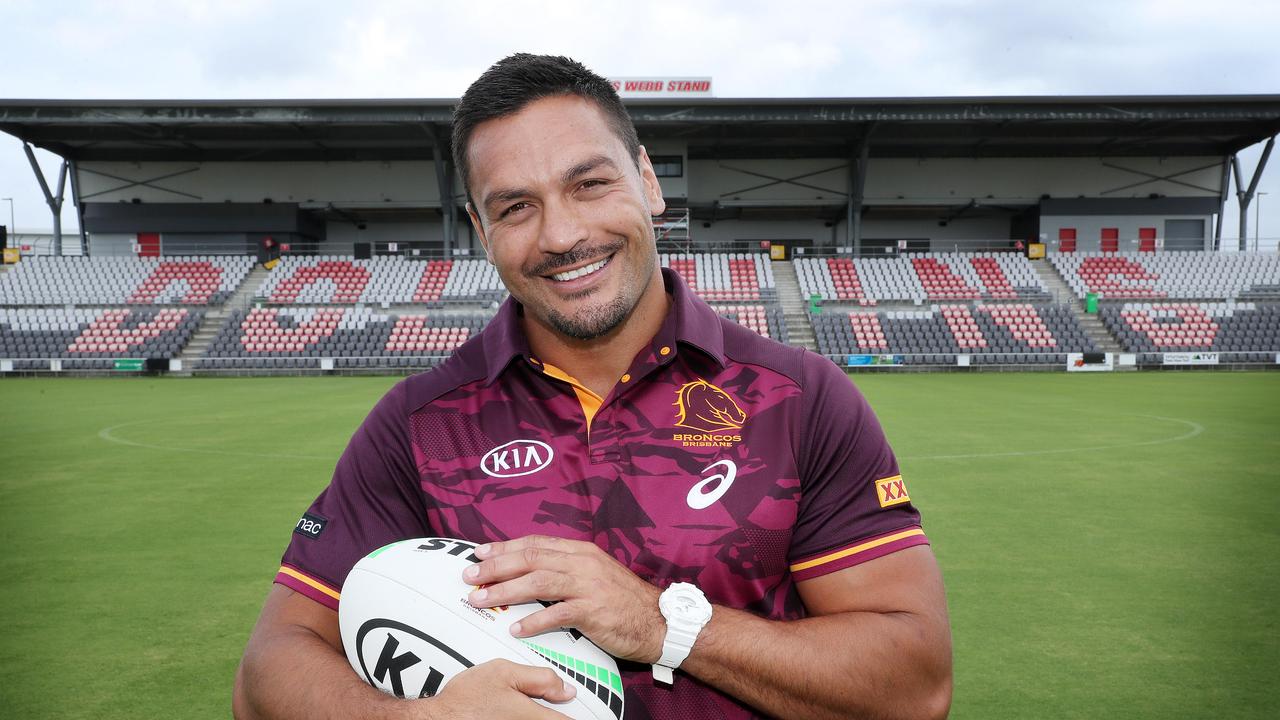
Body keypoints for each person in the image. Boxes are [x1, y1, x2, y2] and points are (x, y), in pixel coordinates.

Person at [233, 54, 952, 720]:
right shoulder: (417, 424)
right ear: (481, 231)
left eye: (590, 183)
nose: (561, 234)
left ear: (647, 180)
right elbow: (267, 673)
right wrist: (418, 718)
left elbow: (917, 684)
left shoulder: (800, 398)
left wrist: (660, 625)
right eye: (516, 207)